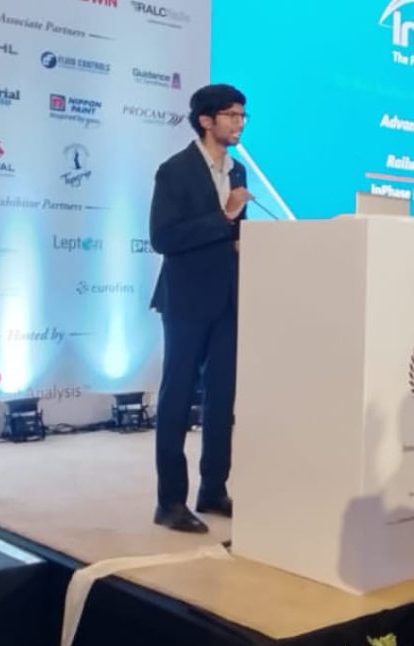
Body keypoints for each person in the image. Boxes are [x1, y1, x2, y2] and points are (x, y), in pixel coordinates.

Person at [148, 84, 252, 533]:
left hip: (229, 297)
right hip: (187, 298)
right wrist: (224, 216)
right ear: (206, 120)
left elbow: (234, 233)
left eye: (243, 115)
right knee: (177, 396)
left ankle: (213, 489)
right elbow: (163, 237)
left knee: (222, 398)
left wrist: (243, 238)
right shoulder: (175, 170)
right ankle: (170, 501)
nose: (239, 123)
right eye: (231, 115)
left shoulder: (238, 170)